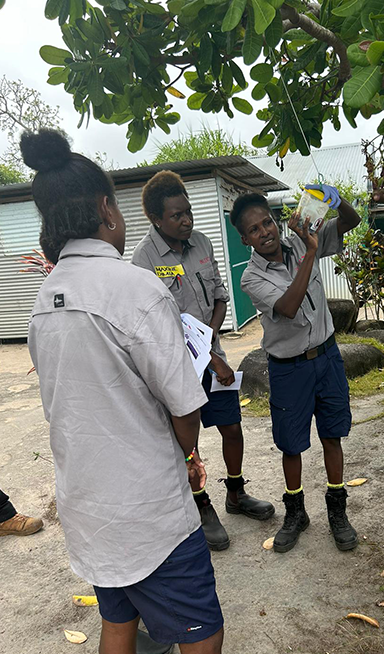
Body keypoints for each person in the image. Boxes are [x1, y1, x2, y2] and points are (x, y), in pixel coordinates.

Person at [22, 129, 244, 654]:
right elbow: (182, 405)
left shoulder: (43, 300)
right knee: (203, 641)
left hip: (89, 506)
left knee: (116, 623)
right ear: (105, 211)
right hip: (149, 510)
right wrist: (188, 454)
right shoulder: (134, 288)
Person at [132, 171, 274, 552]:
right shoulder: (144, 260)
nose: (186, 220)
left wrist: (212, 335)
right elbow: (165, 323)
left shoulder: (202, 243)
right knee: (188, 442)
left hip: (213, 356)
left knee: (231, 427)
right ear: (156, 219)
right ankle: (200, 503)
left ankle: (236, 493)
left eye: (188, 212)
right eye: (176, 215)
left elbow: (219, 296)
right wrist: (210, 358)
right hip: (176, 368)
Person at [231, 188, 361, 553]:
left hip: (327, 357)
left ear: (275, 221)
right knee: (291, 445)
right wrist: (311, 253)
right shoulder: (251, 279)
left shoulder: (304, 236)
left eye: (267, 222)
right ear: (245, 239)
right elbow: (288, 306)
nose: (265, 232)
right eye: (254, 230)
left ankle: (337, 511)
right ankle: (296, 512)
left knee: (332, 435)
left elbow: (351, 222)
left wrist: (335, 202)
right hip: (289, 369)